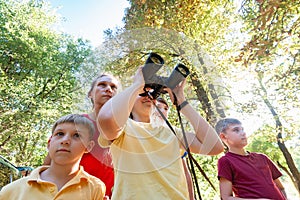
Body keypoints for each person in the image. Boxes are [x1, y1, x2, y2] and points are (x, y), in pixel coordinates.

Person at [97, 67, 224, 199]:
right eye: (142, 93)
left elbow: (214, 146)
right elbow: (106, 118)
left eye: (152, 93)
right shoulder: (123, 128)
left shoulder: (170, 131)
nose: (148, 95)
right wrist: (136, 86)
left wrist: (182, 102)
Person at [43, 73, 119, 198]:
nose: (108, 89)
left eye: (113, 87)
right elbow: (50, 161)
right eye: (102, 85)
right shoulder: (75, 124)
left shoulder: (124, 128)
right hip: (70, 193)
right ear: (90, 94)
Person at [0, 114, 106, 200]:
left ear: (89, 146)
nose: (65, 140)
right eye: (60, 134)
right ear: (49, 142)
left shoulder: (95, 188)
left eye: (76, 135)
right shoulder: (11, 191)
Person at [215, 118, 287, 200]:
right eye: (236, 130)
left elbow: (281, 188)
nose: (243, 133)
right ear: (223, 137)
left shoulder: (262, 157)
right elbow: (226, 197)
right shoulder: (226, 161)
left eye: (242, 129)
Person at [156, 97, 194, 200]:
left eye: (166, 108)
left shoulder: (174, 136)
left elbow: (186, 173)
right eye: (158, 107)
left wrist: (191, 197)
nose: (163, 111)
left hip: (176, 194)